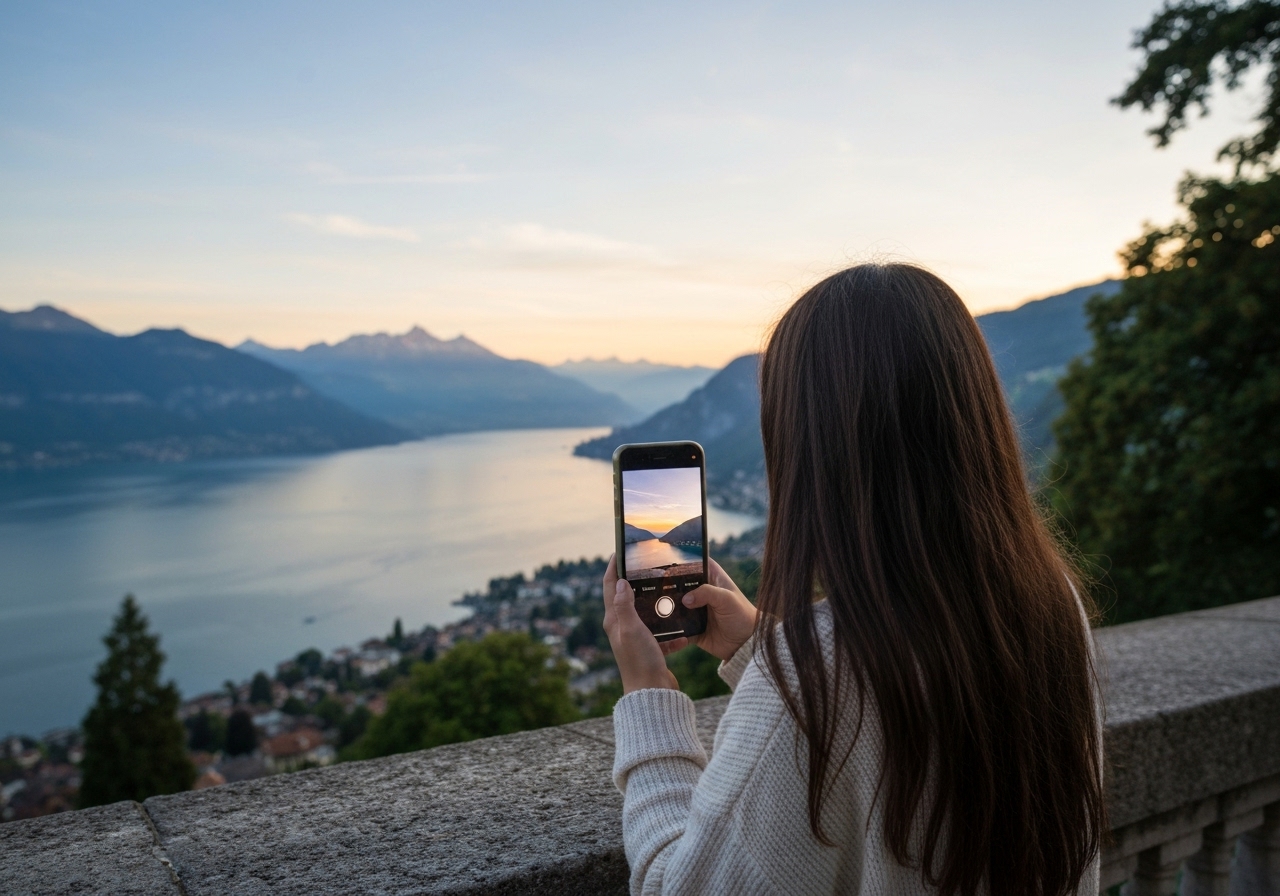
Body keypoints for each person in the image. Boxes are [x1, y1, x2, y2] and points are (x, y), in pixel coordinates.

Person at [601, 264, 1104, 896]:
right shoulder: (1047, 600)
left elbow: (680, 888)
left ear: (807, 446)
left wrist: (649, 695)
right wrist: (762, 647)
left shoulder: (817, 684)